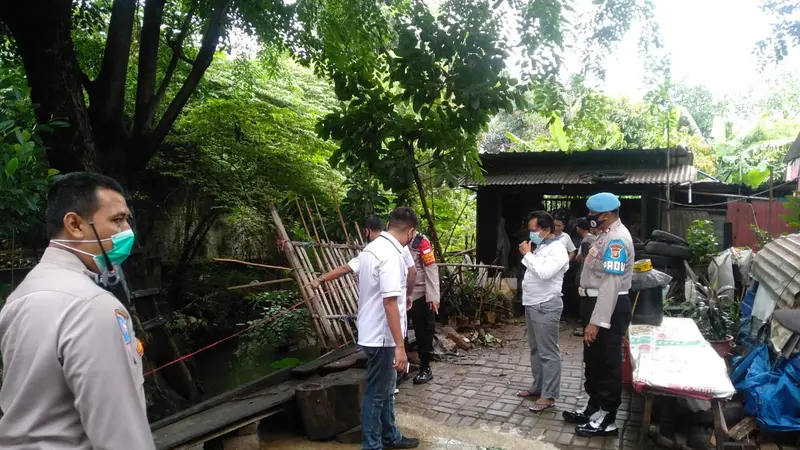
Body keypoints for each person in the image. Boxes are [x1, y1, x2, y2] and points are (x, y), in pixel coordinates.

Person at [0, 172, 154, 449]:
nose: (127, 231)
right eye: (117, 220)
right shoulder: (92, 305)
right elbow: (119, 433)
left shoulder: (21, 296)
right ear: (75, 224)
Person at [563, 193, 634, 438]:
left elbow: (611, 284)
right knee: (592, 360)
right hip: (593, 301)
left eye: (593, 215)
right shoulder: (604, 236)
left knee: (607, 361)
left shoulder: (617, 241)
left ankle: (608, 417)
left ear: (605, 215)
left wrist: (596, 321)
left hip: (608, 306)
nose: (589, 218)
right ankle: (593, 407)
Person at [356, 207, 421, 450]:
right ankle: (372, 445)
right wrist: (400, 347)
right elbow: (390, 302)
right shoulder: (392, 255)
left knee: (385, 389)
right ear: (411, 231)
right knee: (376, 393)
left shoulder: (371, 249)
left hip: (372, 331)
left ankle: (390, 435)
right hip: (383, 337)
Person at [515, 211, 569, 412]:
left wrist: (527, 254)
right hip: (532, 304)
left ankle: (549, 395)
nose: (531, 234)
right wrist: (530, 254)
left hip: (546, 305)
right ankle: (538, 386)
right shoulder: (542, 247)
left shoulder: (558, 249)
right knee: (536, 349)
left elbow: (545, 273)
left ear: (546, 230)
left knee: (548, 352)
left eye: (534, 230)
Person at [405, 229, 440, 384]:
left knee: (423, 332)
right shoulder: (393, 240)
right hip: (399, 295)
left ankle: (425, 368)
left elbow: (431, 267)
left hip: (420, 294)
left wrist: (433, 296)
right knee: (400, 333)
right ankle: (401, 369)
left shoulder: (421, 241)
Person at [572, 218, 597, 337]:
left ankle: (586, 327)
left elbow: (583, 258)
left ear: (579, 228)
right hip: (593, 278)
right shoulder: (594, 238)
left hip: (586, 274)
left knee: (585, 303)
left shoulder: (586, 241)